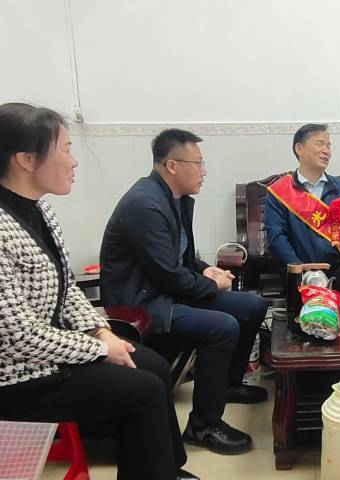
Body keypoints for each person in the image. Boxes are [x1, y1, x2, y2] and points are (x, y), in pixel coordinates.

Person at [0, 103, 198, 480]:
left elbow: (68, 289)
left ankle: (166, 468)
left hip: (52, 351)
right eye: (65, 149)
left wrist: (101, 331)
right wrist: (99, 349)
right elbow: (17, 335)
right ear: (26, 159)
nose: (74, 161)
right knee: (143, 390)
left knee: (154, 366)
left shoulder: (39, 211)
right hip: (20, 376)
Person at [100, 128, 268, 455]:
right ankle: (203, 425)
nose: (204, 172)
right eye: (198, 163)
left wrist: (205, 270)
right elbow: (166, 274)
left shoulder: (172, 198)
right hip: (143, 305)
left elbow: (182, 258)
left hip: (164, 292)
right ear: (172, 166)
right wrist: (211, 284)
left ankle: (228, 385)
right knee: (222, 327)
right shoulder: (144, 205)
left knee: (252, 306)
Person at [264, 123, 340, 293]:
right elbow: (277, 238)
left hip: (336, 269)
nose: (326, 151)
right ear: (299, 149)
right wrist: (299, 269)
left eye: (328, 146)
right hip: (298, 270)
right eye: (320, 144)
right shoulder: (279, 192)